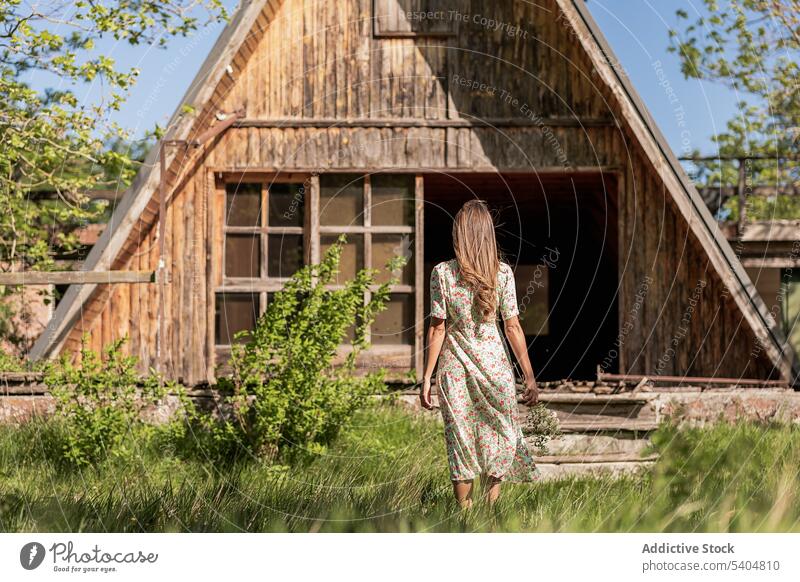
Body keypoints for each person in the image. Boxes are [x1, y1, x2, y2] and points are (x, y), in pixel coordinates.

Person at [420, 199, 541, 508]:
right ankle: (491, 512)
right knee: (499, 435)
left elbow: (437, 329)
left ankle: (465, 519)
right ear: (488, 234)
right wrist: (529, 376)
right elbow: (513, 327)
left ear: (460, 235)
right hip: (495, 367)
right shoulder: (502, 274)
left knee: (461, 439)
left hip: (454, 367)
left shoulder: (442, 274)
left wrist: (426, 377)